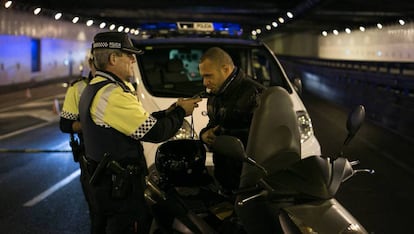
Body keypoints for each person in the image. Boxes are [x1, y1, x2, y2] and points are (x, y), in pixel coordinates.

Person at [79, 31, 201, 234]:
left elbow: (138, 121)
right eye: (128, 55)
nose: (133, 60)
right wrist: (180, 112)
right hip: (120, 189)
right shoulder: (113, 95)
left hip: (106, 183)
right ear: (113, 58)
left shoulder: (96, 87)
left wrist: (168, 111)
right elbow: (155, 131)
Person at [198, 47, 266, 195]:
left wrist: (222, 136)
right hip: (226, 180)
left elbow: (262, 140)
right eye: (203, 77)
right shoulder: (217, 93)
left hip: (249, 184)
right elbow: (214, 124)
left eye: (208, 76)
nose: (205, 83)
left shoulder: (255, 94)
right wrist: (204, 134)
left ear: (225, 69)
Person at [59, 51, 96, 217]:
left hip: (122, 157)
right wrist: (91, 126)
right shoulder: (79, 87)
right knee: (98, 213)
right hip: (90, 158)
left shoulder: (125, 85)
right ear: (91, 63)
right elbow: (65, 124)